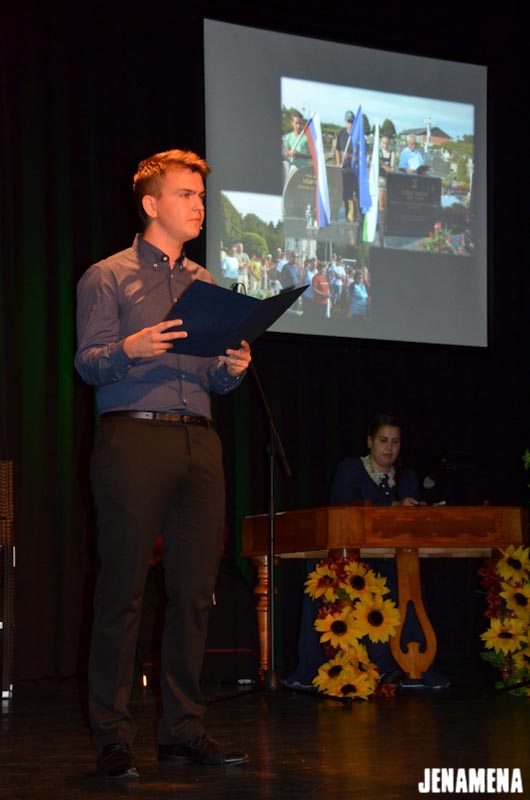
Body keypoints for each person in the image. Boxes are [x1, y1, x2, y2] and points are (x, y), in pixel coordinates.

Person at [74, 148, 252, 779]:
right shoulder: (108, 276)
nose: (198, 205)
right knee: (122, 592)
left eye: (201, 196)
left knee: (195, 593)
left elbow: (211, 375)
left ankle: (182, 729)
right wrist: (131, 346)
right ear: (151, 204)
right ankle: (112, 735)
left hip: (199, 440)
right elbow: (89, 362)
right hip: (133, 436)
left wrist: (231, 370)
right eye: (186, 194)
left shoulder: (206, 283)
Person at [285, 413, 448, 690]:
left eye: (395, 442)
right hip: (355, 561)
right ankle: (341, 668)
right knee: (331, 582)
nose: (389, 448)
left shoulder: (407, 477)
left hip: (393, 559)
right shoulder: (350, 469)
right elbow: (341, 508)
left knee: (410, 579)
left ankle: (408, 668)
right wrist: (393, 508)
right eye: (383, 441)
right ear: (370, 441)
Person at [335, 110, 359, 222]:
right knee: (346, 195)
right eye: (348, 121)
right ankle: (347, 217)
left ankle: (357, 218)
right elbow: (337, 149)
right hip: (344, 169)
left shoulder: (358, 136)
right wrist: (338, 163)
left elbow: (361, 156)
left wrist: (350, 156)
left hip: (355, 170)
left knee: (356, 195)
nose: (350, 124)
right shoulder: (341, 134)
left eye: (352, 122)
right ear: (345, 122)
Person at [283, 110, 311, 181]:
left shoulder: (307, 137)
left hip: (303, 168)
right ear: (292, 123)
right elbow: (287, 152)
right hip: (291, 167)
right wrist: (288, 153)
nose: (298, 126)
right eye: (296, 123)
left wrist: (299, 154)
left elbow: (311, 156)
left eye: (300, 124)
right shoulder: (288, 137)